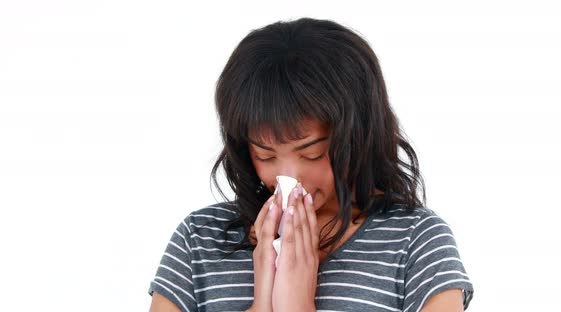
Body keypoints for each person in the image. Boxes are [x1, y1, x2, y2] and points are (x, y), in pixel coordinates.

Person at [148, 17, 474, 312]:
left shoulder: (417, 242)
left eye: (313, 153)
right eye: (265, 155)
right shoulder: (200, 239)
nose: (289, 177)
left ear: (360, 135)